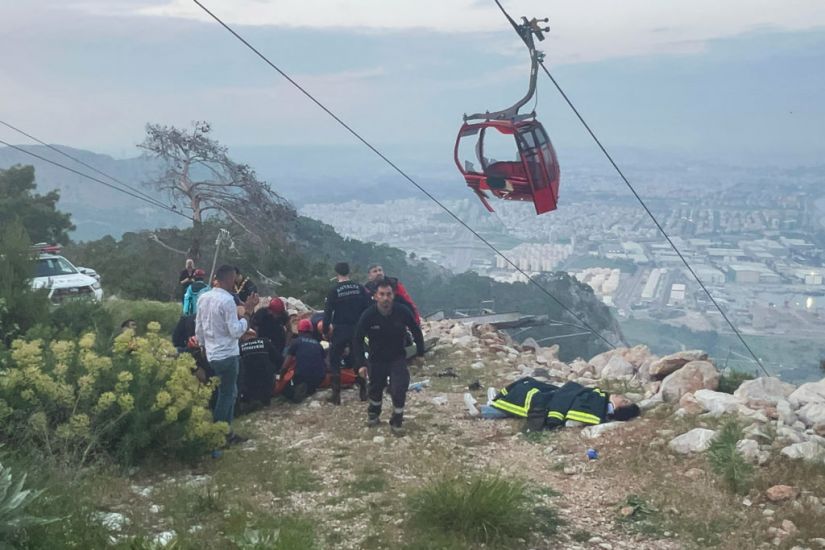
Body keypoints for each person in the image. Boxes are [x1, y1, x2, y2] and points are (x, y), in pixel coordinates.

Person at [195, 264, 259, 447]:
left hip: (211, 353)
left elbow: (198, 326)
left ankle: (220, 430)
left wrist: (202, 346)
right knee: (227, 394)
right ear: (230, 280)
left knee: (226, 391)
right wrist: (247, 313)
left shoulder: (203, 297)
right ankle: (222, 434)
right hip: (227, 354)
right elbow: (236, 331)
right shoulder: (227, 301)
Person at [353, 280, 424, 434]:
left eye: (389, 294)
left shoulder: (402, 311)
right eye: (382, 294)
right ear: (375, 296)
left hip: (397, 358)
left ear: (393, 296)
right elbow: (357, 340)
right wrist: (360, 364)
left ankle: (397, 421)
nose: (386, 298)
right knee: (375, 389)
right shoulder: (368, 315)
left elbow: (416, 331)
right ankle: (373, 414)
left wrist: (420, 353)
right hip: (376, 359)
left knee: (399, 388)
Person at [472, 377, 640, 430]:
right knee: (531, 385)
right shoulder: (600, 400)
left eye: (624, 401)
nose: (620, 396)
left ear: (619, 408)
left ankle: (485, 409)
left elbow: (577, 409)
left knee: (530, 396)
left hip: (552, 403)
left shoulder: (599, 404)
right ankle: (490, 406)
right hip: (557, 395)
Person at [322, 262, 371, 405]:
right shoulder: (359, 288)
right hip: (357, 328)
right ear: (349, 272)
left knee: (335, 360)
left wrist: (325, 331)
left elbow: (327, 313)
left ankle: (336, 395)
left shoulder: (334, 291)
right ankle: (363, 391)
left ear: (336, 273)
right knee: (359, 359)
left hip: (340, 329)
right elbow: (368, 308)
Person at [282, 319, 327, 403]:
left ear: (299, 330)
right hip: (319, 377)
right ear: (311, 331)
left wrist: (281, 374)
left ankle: (298, 391)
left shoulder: (296, 342)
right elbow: (325, 363)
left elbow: (286, 363)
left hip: (302, 375)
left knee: (285, 391)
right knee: (310, 385)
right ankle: (310, 390)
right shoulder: (318, 344)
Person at [238, 328, 280, 407]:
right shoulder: (265, 341)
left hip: (248, 384)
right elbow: (278, 358)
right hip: (267, 382)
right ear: (255, 335)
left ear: (243, 337)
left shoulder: (240, 346)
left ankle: (250, 401)